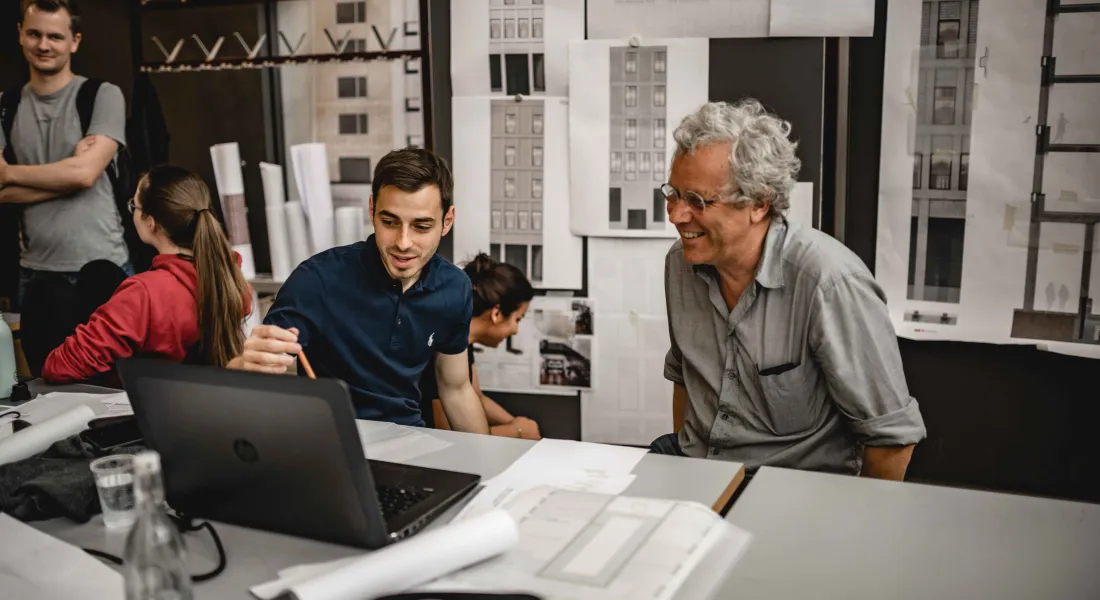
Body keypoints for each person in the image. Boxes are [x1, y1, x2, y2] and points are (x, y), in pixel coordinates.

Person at [654, 99, 926, 481]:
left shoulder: (829, 282)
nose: (676, 215)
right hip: (701, 470)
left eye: (697, 201)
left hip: (793, 490)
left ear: (759, 204)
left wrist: (860, 535)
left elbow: (893, 441)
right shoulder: (679, 264)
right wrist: (687, 476)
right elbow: (685, 377)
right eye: (673, 194)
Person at [228, 147, 490, 434]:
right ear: (372, 210)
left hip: (412, 441)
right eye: (389, 222)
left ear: (447, 222)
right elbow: (253, 382)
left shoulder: (454, 288)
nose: (403, 242)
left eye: (421, 226)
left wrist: (494, 473)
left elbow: (456, 389)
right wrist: (246, 364)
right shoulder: (317, 280)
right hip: (332, 441)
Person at [41, 165, 252, 384]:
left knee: (48, 293)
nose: (133, 211)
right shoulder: (231, 278)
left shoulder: (144, 294)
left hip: (146, 409)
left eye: (135, 206)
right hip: (203, 404)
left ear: (151, 223)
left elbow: (58, 367)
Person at [0, 0, 130, 306]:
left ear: (75, 42)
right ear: (20, 34)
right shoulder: (6, 105)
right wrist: (68, 175)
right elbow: (80, 175)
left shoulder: (103, 95)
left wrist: (8, 174)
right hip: (33, 273)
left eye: (55, 37)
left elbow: (85, 174)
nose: (43, 45)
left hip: (103, 268)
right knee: (37, 357)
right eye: (34, 34)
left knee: (116, 357)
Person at [420, 253, 542, 440]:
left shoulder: (463, 341)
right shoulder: (441, 347)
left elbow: (476, 396)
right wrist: (516, 432)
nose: (516, 330)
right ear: (497, 314)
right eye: (517, 319)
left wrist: (517, 423)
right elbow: (445, 433)